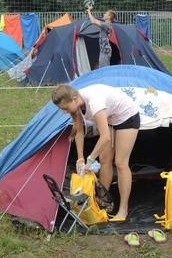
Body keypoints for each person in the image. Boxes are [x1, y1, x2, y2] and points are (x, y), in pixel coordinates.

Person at [52, 84, 140, 221]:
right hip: (111, 118)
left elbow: (105, 137)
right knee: (104, 160)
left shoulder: (95, 103)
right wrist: (80, 158)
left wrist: (90, 159)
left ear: (74, 99)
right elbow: (79, 130)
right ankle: (102, 201)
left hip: (127, 118)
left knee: (121, 162)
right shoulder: (76, 105)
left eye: (65, 108)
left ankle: (123, 210)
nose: (64, 112)